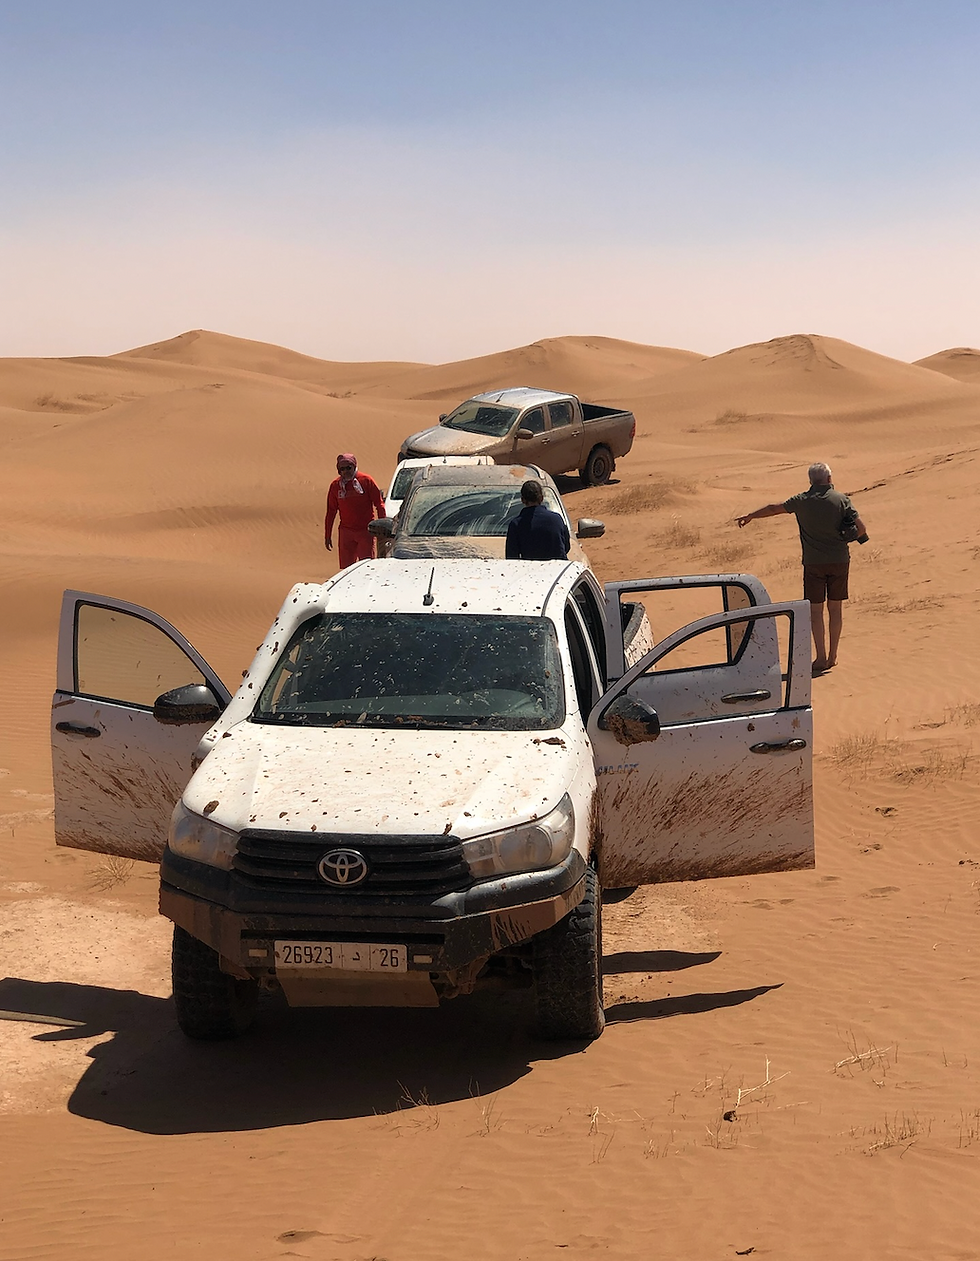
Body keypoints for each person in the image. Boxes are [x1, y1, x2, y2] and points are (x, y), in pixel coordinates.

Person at [735, 461, 868, 673]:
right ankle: (833, 656)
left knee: (816, 611)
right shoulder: (841, 500)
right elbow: (861, 529)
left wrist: (751, 515)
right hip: (839, 560)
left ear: (810, 480)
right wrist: (844, 539)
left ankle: (821, 658)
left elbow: (773, 508)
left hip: (813, 563)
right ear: (829, 479)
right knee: (835, 609)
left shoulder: (801, 500)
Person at [324, 453, 386, 569]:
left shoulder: (366, 481)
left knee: (366, 567)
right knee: (346, 570)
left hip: (365, 531)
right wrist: (327, 535)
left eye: (349, 468)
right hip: (346, 533)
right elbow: (331, 511)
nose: (346, 471)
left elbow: (379, 504)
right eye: (342, 469)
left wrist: (382, 528)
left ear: (354, 466)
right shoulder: (335, 486)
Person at [505, 480, 571, 560]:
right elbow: (566, 547)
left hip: (532, 570)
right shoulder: (557, 519)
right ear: (541, 498)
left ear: (523, 500)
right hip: (559, 570)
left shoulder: (516, 524)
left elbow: (512, 557)